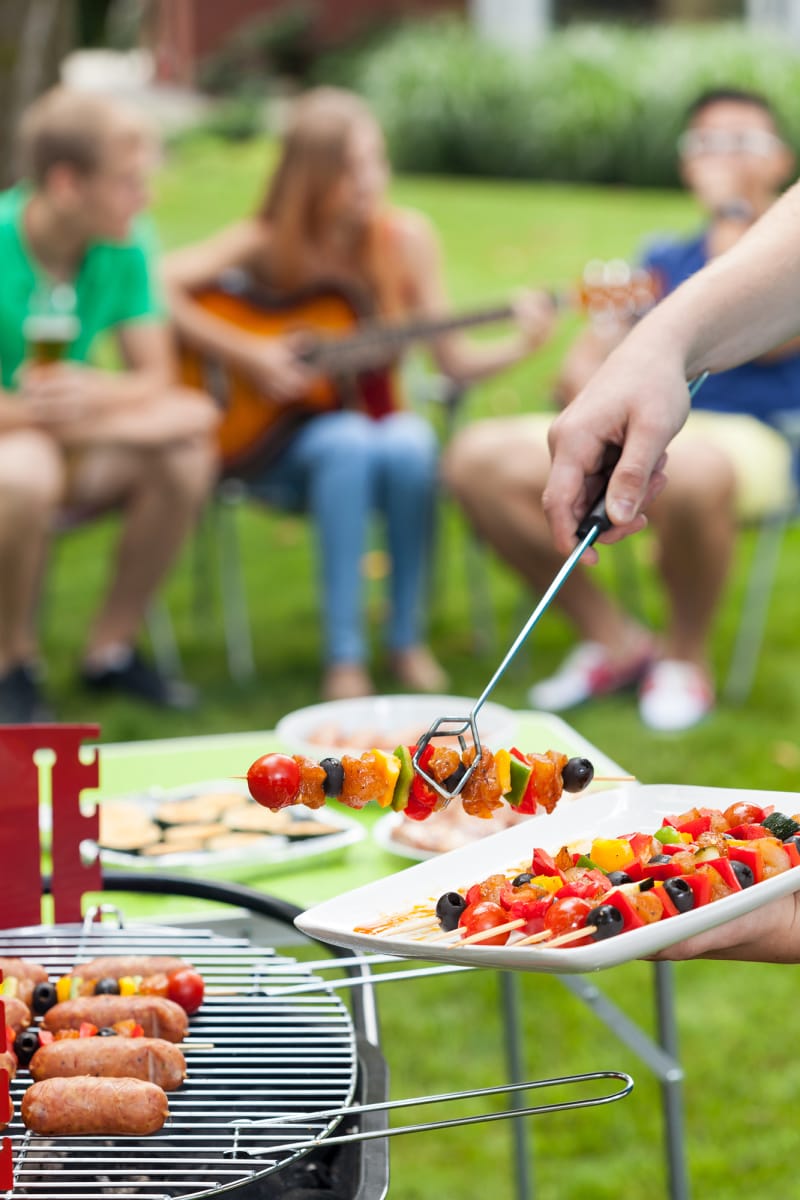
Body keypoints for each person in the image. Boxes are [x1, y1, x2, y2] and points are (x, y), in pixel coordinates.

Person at [162, 86, 556, 702]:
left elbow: (452, 363)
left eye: (376, 161)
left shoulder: (405, 240)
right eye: (350, 168)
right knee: (349, 443)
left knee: (409, 441)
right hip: (275, 447)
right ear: (309, 177)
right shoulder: (268, 239)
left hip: (376, 432)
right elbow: (158, 286)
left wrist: (522, 344)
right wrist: (249, 354)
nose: (371, 180)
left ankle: (406, 640)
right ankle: (343, 656)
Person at [443, 87, 799, 732]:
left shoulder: (779, 258)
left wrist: (732, 207)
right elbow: (581, 376)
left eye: (741, 142)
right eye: (707, 144)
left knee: (693, 470)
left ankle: (685, 658)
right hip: (649, 429)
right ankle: (614, 639)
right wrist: (590, 349)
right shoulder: (657, 260)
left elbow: (772, 330)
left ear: (781, 161)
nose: (722, 157)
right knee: (476, 457)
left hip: (754, 431)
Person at [0, 87, 219, 723]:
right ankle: (13, 663)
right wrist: (46, 411)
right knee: (24, 470)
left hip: (77, 437)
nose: (143, 197)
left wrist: (93, 392)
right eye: (127, 182)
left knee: (185, 453)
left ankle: (109, 650)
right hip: (15, 450)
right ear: (67, 184)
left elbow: (155, 376)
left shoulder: (125, 241)